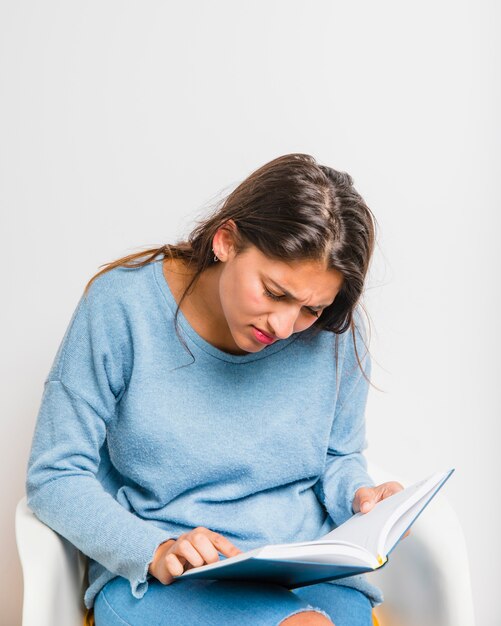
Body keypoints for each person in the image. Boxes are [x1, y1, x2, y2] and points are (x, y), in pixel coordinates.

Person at [26, 153, 405, 626]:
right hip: (169, 576)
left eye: (311, 309)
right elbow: (56, 474)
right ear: (226, 241)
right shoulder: (121, 306)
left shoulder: (334, 333)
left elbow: (336, 456)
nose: (286, 327)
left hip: (307, 570)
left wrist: (361, 497)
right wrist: (155, 550)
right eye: (274, 292)